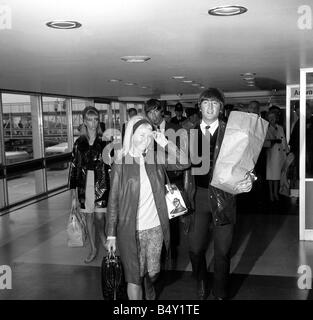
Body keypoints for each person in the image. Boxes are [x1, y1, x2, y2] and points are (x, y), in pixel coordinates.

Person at [105, 115, 189, 300]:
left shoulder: (155, 158)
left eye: (148, 135)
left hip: (155, 228)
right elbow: (113, 201)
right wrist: (111, 234)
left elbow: (184, 162)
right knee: (133, 278)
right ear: (131, 136)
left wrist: (166, 143)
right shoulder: (121, 163)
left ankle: (148, 285)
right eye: (140, 134)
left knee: (152, 273)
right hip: (130, 230)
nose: (145, 139)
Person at [187, 88, 254, 300]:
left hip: (224, 197)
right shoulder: (188, 133)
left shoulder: (232, 132)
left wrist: (250, 179)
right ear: (199, 107)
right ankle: (201, 280)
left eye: (214, 103)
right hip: (197, 196)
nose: (209, 107)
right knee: (196, 249)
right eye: (206, 102)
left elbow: (248, 162)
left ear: (221, 108)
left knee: (222, 252)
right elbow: (177, 163)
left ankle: (220, 292)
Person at [144, 98, 188, 268]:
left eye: (156, 111)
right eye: (150, 112)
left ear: (161, 111)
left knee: (172, 219)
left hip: (171, 180)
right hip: (152, 181)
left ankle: (172, 253)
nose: (153, 115)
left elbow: (182, 156)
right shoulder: (145, 131)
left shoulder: (175, 129)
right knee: (155, 218)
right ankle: (159, 254)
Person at [68, 106, 111, 263]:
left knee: (100, 216)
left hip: (102, 183)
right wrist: (73, 194)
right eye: (89, 120)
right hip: (84, 184)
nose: (93, 123)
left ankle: (102, 235)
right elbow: (74, 168)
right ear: (84, 121)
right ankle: (93, 249)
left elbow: (112, 165)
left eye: (95, 119)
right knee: (89, 218)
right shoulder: (79, 143)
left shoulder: (105, 140)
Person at [265, 111, 288, 202]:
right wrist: (274, 141)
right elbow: (266, 141)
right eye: (270, 117)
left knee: (278, 175)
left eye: (273, 117)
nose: (272, 119)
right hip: (271, 154)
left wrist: (286, 151)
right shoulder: (266, 128)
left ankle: (276, 192)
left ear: (276, 118)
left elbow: (284, 140)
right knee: (271, 175)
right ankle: (271, 193)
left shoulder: (280, 128)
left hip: (280, 154)